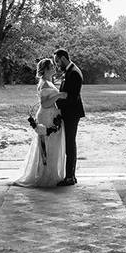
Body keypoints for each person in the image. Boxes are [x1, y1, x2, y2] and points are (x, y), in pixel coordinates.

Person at [14, 58, 68, 187]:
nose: (54, 68)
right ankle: (45, 175)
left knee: (52, 145)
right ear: (46, 69)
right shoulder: (44, 83)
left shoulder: (48, 81)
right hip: (46, 116)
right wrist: (58, 95)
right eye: (52, 67)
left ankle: (51, 173)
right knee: (47, 145)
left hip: (50, 115)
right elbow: (45, 104)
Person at [53, 48, 84, 186]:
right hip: (69, 112)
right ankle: (71, 176)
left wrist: (57, 102)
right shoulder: (69, 71)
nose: (57, 64)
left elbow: (72, 97)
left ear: (63, 58)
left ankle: (70, 177)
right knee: (69, 143)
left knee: (70, 144)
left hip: (71, 113)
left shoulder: (74, 73)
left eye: (57, 61)